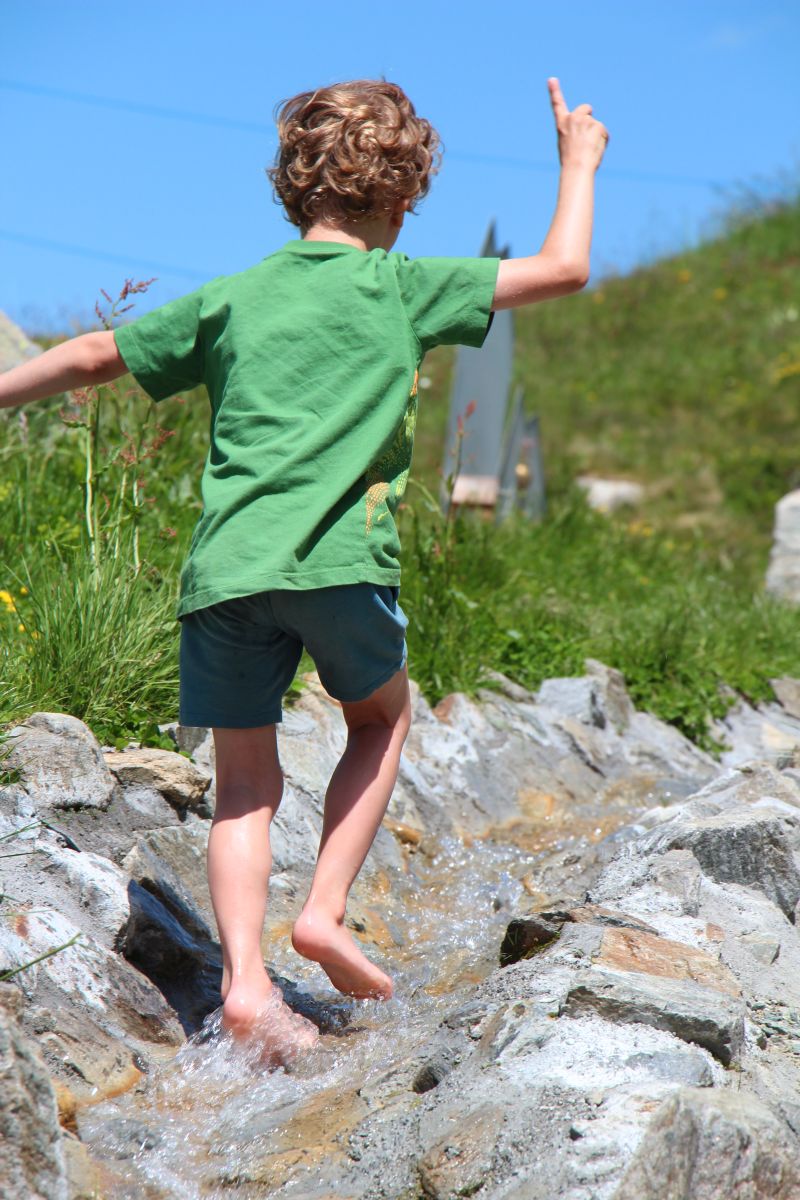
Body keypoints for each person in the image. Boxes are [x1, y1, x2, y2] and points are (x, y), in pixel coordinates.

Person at [0, 77, 608, 1067]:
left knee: (243, 784)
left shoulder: (235, 296)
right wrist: (577, 160)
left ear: (292, 190)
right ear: (402, 198)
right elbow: (565, 268)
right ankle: (322, 913)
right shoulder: (403, 285)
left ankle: (244, 988)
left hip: (227, 571)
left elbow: (97, 351)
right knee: (382, 719)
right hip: (340, 564)